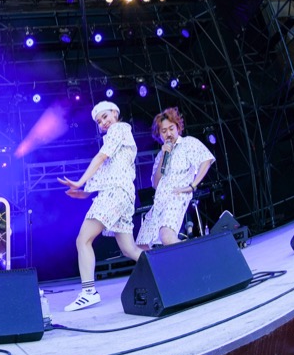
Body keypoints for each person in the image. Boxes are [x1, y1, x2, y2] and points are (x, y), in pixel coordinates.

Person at [57, 100, 142, 311]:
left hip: (115, 193)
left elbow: (100, 157)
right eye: (99, 121)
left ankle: (89, 292)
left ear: (115, 112)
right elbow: (107, 172)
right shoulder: (119, 136)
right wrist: (85, 193)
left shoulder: (118, 129)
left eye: (105, 117)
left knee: (83, 240)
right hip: (122, 194)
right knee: (129, 249)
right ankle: (163, 270)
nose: (103, 123)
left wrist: (80, 182)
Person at [136, 107, 215, 248]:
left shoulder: (188, 143)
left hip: (176, 197)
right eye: (164, 131)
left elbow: (207, 159)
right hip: (159, 202)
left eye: (171, 128)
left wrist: (192, 186)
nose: (168, 134)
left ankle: (199, 255)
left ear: (178, 127)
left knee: (166, 237)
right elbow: (155, 183)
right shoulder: (160, 155)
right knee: (142, 246)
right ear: (159, 134)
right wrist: (162, 156)